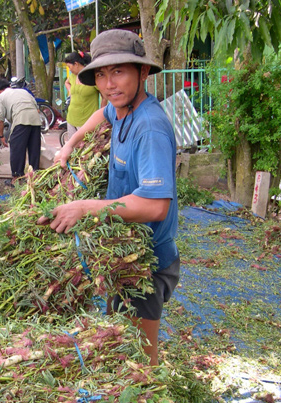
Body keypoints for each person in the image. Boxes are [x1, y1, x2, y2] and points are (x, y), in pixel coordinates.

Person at [38, 29, 179, 366]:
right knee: (119, 343)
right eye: (101, 74)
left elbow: (156, 205)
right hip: (121, 251)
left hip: (145, 264)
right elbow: (101, 115)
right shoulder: (121, 110)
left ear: (143, 72)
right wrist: (71, 144)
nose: (109, 84)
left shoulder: (150, 129)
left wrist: (84, 208)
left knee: (139, 359)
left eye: (119, 72)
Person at [0, 78, 42, 185]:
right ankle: (34, 178)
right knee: (34, 150)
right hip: (35, 120)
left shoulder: (0, 97)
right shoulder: (23, 91)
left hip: (21, 120)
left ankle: (16, 179)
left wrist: (1, 136)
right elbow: (37, 109)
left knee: (17, 149)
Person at [64, 51, 106, 139]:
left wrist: (102, 114)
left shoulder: (92, 76)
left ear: (76, 64)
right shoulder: (72, 76)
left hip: (87, 121)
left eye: (69, 67)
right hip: (71, 118)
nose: (69, 69)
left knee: (85, 149)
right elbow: (66, 83)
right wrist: (71, 92)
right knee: (72, 149)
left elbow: (104, 96)